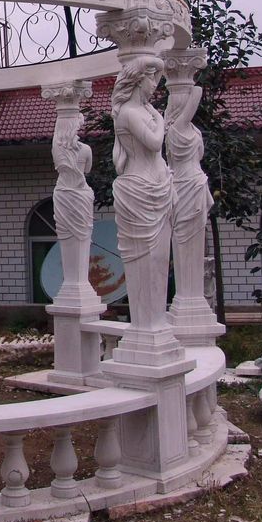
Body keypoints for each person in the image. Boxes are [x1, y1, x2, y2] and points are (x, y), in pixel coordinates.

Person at [110, 55, 172, 333]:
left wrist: (156, 115)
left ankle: (156, 323)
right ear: (138, 79)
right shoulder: (130, 114)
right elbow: (155, 142)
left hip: (157, 188)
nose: (155, 86)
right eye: (152, 79)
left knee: (159, 259)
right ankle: (146, 325)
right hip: (139, 191)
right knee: (144, 260)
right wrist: (160, 117)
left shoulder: (143, 112)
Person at [165, 83, 213, 299]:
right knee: (184, 239)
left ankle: (192, 296)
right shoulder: (177, 128)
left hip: (190, 183)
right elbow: (198, 92)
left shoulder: (182, 129)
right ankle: (188, 296)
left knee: (190, 238)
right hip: (187, 184)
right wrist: (183, 83)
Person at [52, 111, 94, 292]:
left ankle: (71, 285)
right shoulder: (86, 150)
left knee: (67, 236)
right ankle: (79, 285)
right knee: (81, 236)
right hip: (80, 194)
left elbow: (57, 134)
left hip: (63, 192)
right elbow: (88, 170)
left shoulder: (56, 148)